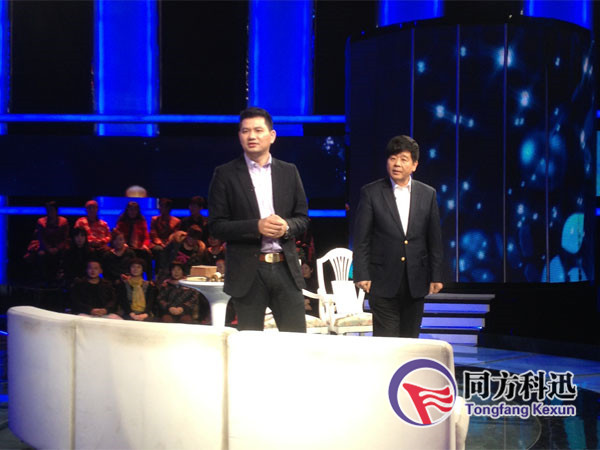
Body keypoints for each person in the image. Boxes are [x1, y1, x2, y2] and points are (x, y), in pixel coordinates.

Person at [208, 106, 309, 332]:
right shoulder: (225, 174)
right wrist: (257, 226)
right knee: (249, 342)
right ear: (239, 136)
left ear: (272, 136)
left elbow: (303, 219)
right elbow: (216, 226)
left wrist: (286, 227)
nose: (251, 136)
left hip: (285, 269)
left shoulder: (289, 171)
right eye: (245, 131)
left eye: (258, 130)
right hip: (248, 272)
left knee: (296, 341)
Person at [353, 135, 444, 338]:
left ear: (414, 165)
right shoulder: (371, 192)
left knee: (410, 340)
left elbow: (434, 239)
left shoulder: (428, 194)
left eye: (403, 159)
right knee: (388, 343)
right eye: (392, 158)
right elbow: (361, 239)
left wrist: (436, 275)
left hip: (416, 280)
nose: (397, 164)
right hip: (381, 279)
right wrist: (361, 273)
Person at [33, 201, 70, 284]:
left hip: (60, 247)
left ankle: (61, 279)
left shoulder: (63, 221)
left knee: (67, 253)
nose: (50, 212)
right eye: (48, 210)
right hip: (45, 247)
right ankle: (44, 280)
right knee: (41, 255)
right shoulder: (41, 221)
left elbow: (65, 238)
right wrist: (48, 248)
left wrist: (57, 248)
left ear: (56, 211)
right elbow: (40, 238)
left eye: (52, 210)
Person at [115, 201, 152, 278]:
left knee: (147, 254)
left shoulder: (142, 221)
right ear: (127, 210)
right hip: (126, 246)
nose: (133, 212)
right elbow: (117, 235)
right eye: (131, 209)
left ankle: (149, 279)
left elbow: (146, 236)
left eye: (135, 210)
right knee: (130, 253)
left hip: (139, 247)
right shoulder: (122, 221)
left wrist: (145, 245)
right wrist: (123, 244)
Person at [150, 198, 181, 274]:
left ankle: (169, 271)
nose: (160, 209)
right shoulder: (154, 219)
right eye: (160, 206)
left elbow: (175, 235)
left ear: (168, 209)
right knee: (159, 249)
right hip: (157, 243)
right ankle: (159, 273)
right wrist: (160, 243)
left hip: (170, 242)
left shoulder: (176, 221)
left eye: (163, 206)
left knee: (173, 250)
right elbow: (153, 233)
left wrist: (167, 243)